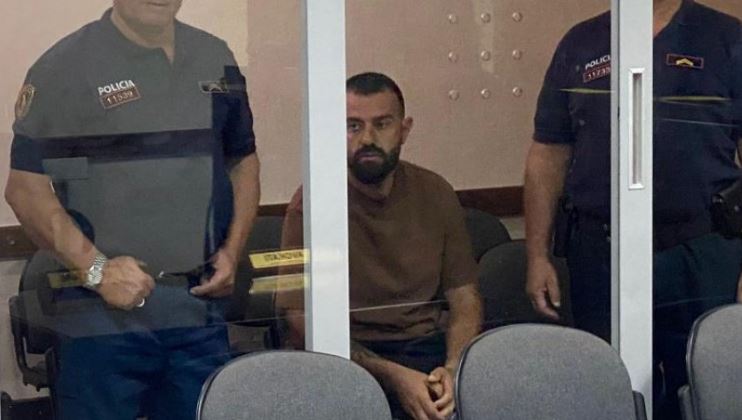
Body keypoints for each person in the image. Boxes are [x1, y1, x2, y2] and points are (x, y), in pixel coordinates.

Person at [4, 1, 260, 419]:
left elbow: (242, 160)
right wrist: (97, 271)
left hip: (196, 304)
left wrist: (232, 249)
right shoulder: (66, 66)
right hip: (101, 315)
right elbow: (25, 188)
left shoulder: (214, 55)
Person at [524, 0, 742, 418]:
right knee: (608, 387)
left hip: (701, 251)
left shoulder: (726, 38)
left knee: (706, 386)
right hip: (602, 252)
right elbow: (547, 154)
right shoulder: (582, 43)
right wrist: (536, 255)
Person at [276, 72, 482, 420]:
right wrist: (392, 376)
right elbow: (297, 316)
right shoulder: (311, 203)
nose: (367, 139)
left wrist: (453, 367)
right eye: (352, 126)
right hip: (348, 356)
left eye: (382, 124)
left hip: (427, 351)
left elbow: (464, 298)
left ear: (404, 129)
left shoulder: (436, 193)